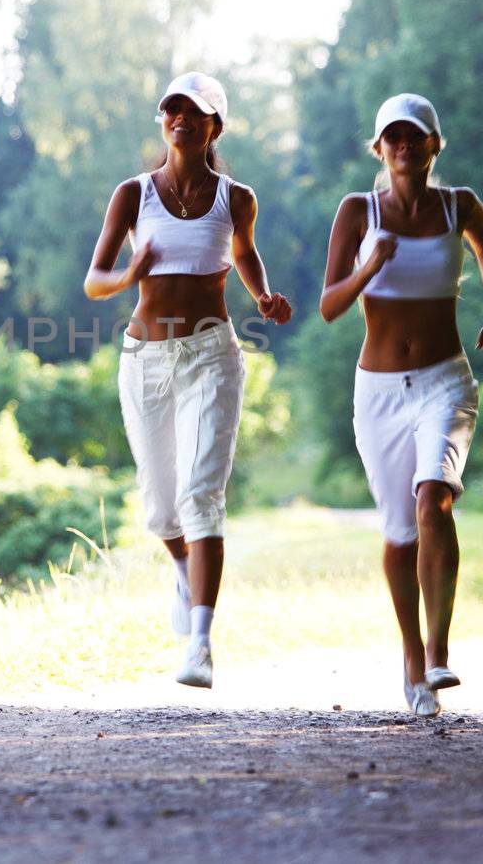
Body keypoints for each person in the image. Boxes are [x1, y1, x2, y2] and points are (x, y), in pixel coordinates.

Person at [85, 71, 292, 688]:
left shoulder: (237, 197)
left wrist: (263, 295)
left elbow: (245, 250)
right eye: (171, 109)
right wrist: (131, 273)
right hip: (144, 359)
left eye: (193, 112)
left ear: (213, 127)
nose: (180, 117)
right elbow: (95, 281)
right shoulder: (132, 194)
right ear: (165, 122)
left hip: (210, 355)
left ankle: (199, 642)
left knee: (202, 496)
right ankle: (183, 572)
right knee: (160, 508)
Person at [319, 93, 483, 717]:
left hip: (444, 382)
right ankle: (409, 656)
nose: (404, 145)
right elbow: (328, 305)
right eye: (392, 137)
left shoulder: (459, 206)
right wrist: (369, 263)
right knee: (400, 535)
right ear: (379, 148)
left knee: (435, 499)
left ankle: (437, 649)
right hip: (377, 393)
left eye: (415, 135)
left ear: (434, 145)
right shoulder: (358, 211)